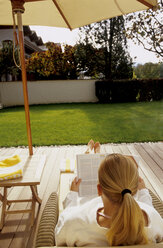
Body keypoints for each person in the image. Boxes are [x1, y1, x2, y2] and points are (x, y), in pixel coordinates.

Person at [55, 153, 163, 246]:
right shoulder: (153, 219)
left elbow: (59, 239)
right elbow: (148, 209)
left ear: (99, 189)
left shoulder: (75, 222)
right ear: (134, 189)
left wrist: (72, 195)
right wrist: (144, 191)